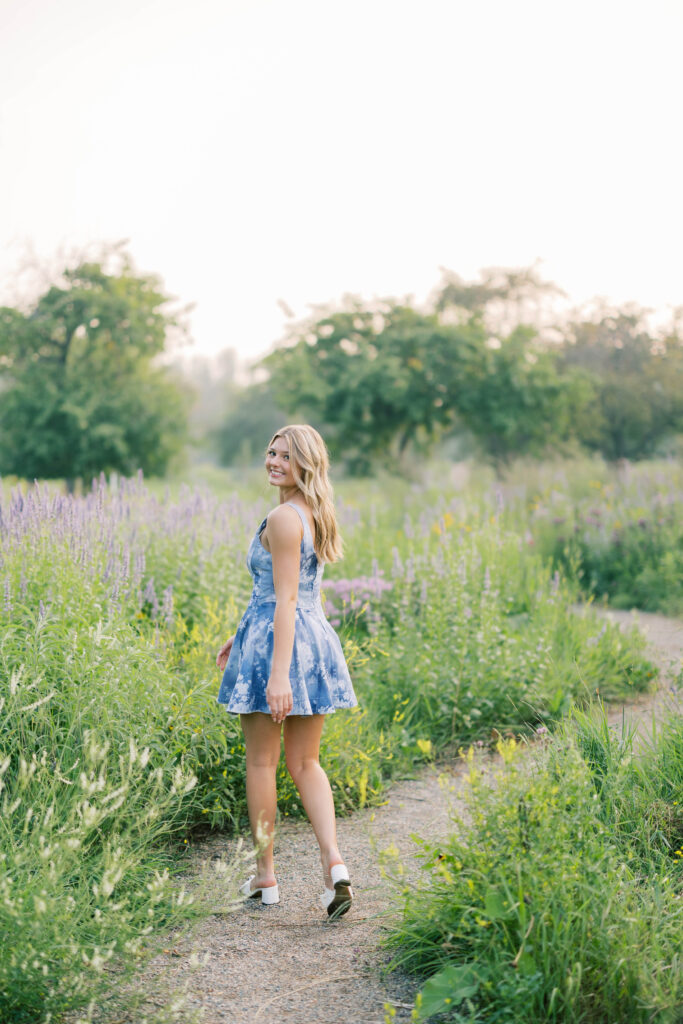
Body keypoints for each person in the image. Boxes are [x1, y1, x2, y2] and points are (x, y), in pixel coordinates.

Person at [215, 424, 357, 918]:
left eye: (286, 456)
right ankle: (334, 865)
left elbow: (285, 598)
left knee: (262, 762)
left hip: (279, 643)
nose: (274, 462)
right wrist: (241, 633)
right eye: (271, 452)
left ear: (306, 465)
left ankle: (265, 877)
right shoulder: (315, 512)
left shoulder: (281, 517)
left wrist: (278, 675)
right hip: (311, 639)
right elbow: (290, 592)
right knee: (306, 762)